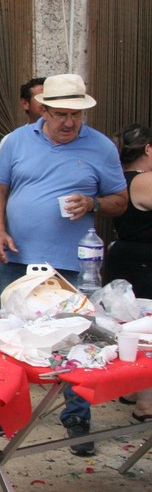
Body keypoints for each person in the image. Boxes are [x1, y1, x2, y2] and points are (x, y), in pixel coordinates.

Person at [0, 73, 128, 454]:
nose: (69, 122)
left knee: (76, 340)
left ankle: (77, 417)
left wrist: (94, 203)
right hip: (18, 258)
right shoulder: (16, 141)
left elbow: (120, 200)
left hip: (73, 263)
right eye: (61, 114)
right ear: (44, 110)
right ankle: (4, 410)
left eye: (76, 115)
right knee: (11, 337)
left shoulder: (101, 147)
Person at [105, 123, 152, 423]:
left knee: (131, 325)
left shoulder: (119, 179)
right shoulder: (145, 180)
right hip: (143, 261)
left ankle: (133, 390)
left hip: (125, 257)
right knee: (148, 330)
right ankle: (146, 404)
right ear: (148, 148)